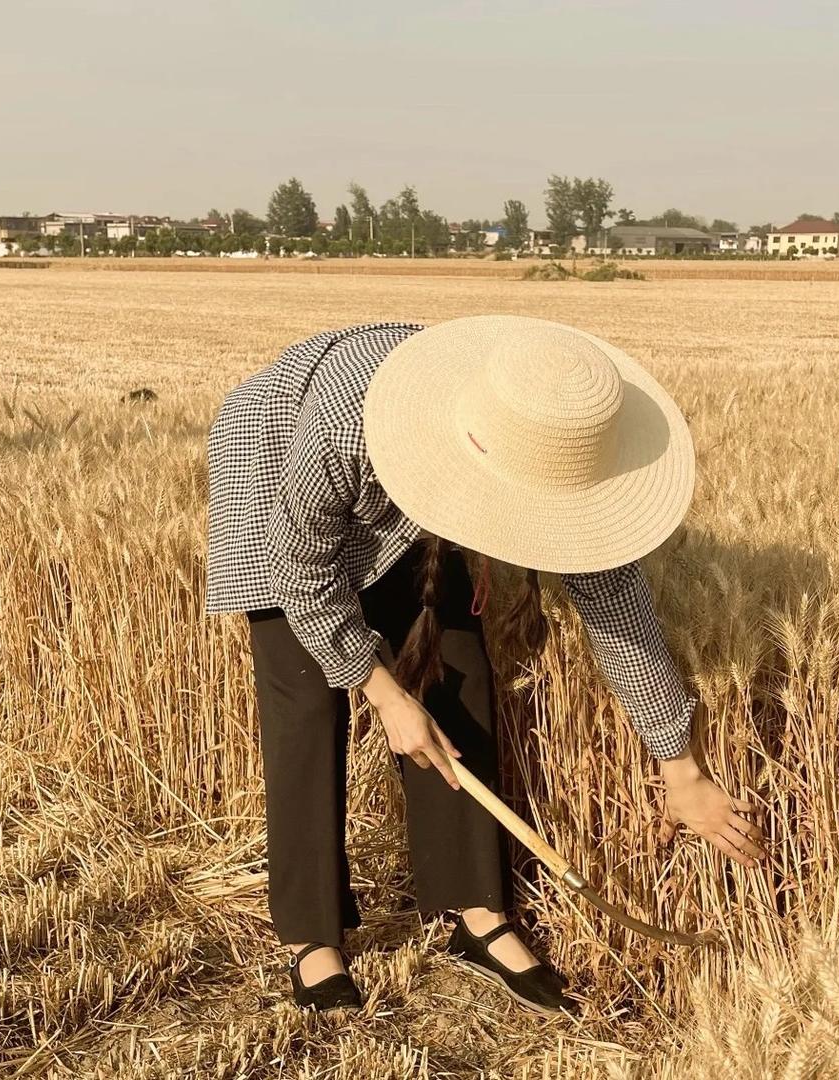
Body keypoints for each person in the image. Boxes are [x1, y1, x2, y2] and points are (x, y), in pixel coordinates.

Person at [205, 315, 766, 1015]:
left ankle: (472, 908)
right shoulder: (346, 425)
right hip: (277, 458)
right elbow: (302, 574)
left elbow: (616, 604)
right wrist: (381, 692)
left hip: (416, 469)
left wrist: (679, 765)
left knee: (456, 675)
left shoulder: (550, 435)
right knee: (305, 701)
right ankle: (310, 934)